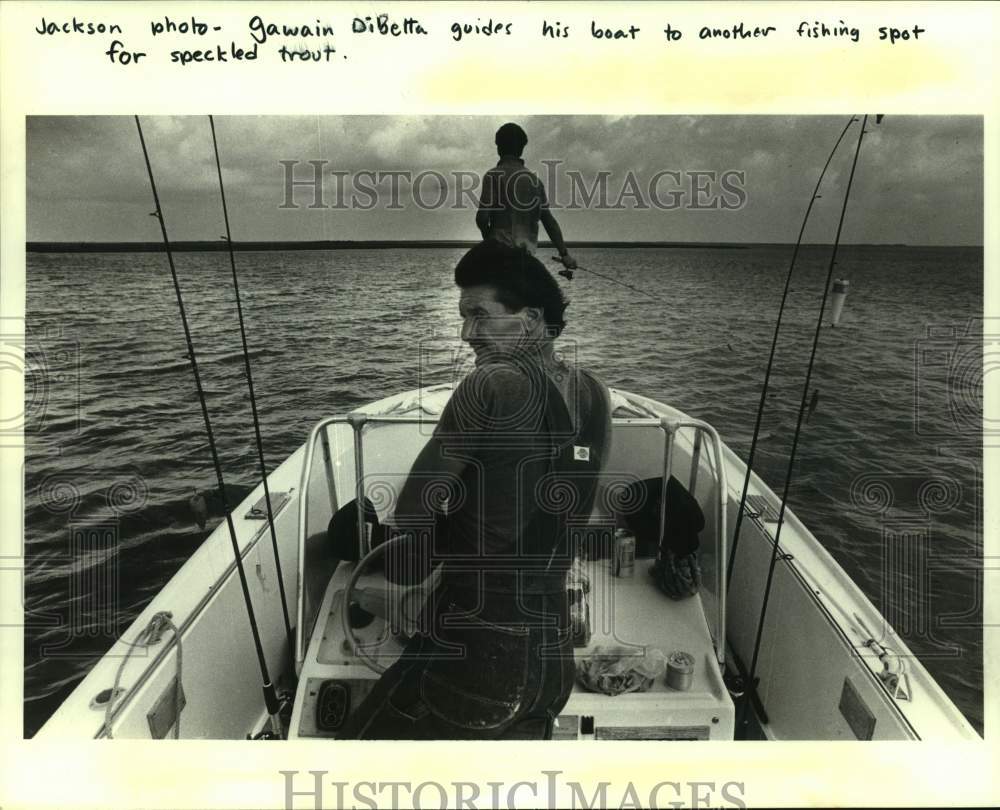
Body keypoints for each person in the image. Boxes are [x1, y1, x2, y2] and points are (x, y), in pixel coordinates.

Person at [337, 241, 611, 739]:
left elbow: (414, 511)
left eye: (479, 316)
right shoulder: (594, 391)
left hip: (482, 654)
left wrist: (410, 588)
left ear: (529, 319)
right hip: (551, 658)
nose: (466, 334)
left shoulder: (489, 385)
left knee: (348, 764)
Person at [476, 122, 579, 279]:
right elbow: (549, 222)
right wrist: (564, 254)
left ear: (498, 148)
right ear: (522, 149)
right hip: (526, 261)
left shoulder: (492, 176)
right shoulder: (535, 182)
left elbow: (482, 218)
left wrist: (487, 234)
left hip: (498, 259)